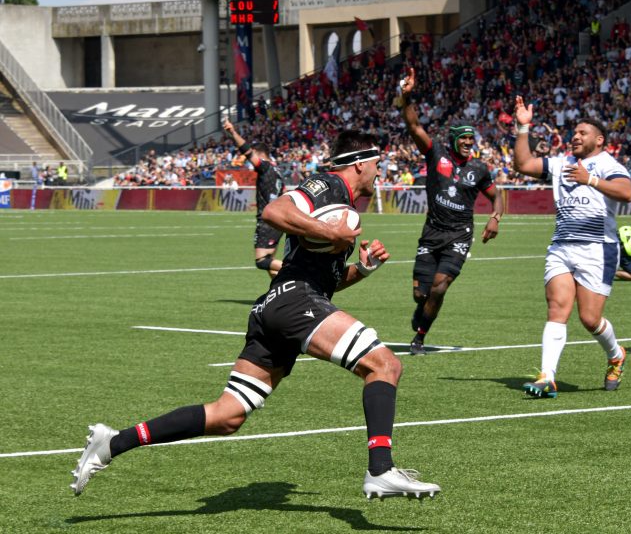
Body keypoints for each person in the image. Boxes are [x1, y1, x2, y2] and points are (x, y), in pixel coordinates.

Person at [71, 130, 440, 500]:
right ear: (360, 162)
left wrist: (363, 268)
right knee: (384, 366)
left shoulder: (342, 206)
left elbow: (325, 283)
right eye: (378, 164)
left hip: (278, 305)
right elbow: (274, 210)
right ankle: (380, 469)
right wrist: (328, 230)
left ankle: (114, 442)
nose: (380, 173)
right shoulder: (328, 186)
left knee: (226, 415)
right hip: (295, 303)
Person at [513, 95, 631, 398]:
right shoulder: (561, 163)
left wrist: (590, 179)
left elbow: (626, 192)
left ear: (599, 139)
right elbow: (524, 163)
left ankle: (616, 354)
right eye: (574, 133)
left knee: (590, 319)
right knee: (557, 309)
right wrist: (522, 128)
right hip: (562, 246)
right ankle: (547, 377)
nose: (576, 136)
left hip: (598, 247)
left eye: (583, 133)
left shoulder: (608, 164)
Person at [399, 68, 504, 355]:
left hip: (459, 234)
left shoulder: (480, 169)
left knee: (440, 287)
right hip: (432, 232)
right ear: (454, 138)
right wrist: (406, 97)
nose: (470, 143)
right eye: (465, 139)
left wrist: (495, 218)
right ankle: (422, 311)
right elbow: (414, 128)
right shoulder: (437, 154)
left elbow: (497, 196)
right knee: (421, 293)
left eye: (473, 139)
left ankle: (419, 337)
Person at [224, 119, 284, 279]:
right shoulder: (278, 171)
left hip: (267, 221)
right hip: (278, 221)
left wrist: (233, 132)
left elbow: (246, 151)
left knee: (262, 261)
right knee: (270, 264)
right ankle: (283, 296)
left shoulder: (264, 167)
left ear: (260, 154)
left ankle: (297, 270)